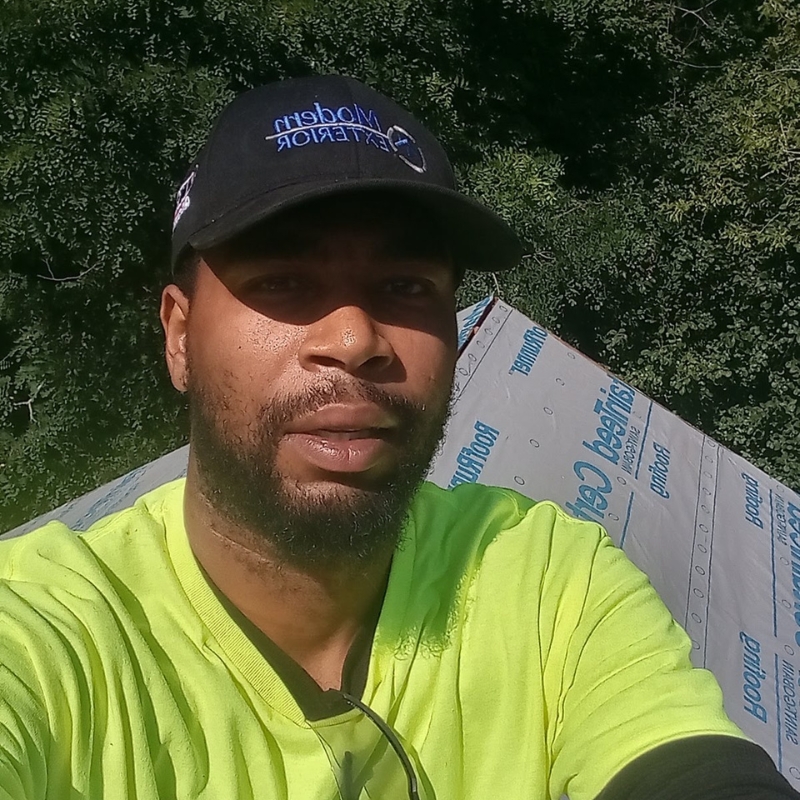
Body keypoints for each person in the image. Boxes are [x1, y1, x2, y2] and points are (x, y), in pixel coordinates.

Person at [0, 75, 796, 800]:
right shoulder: (46, 630)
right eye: (283, 281)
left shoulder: (550, 583)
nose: (354, 338)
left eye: (406, 288)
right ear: (179, 336)